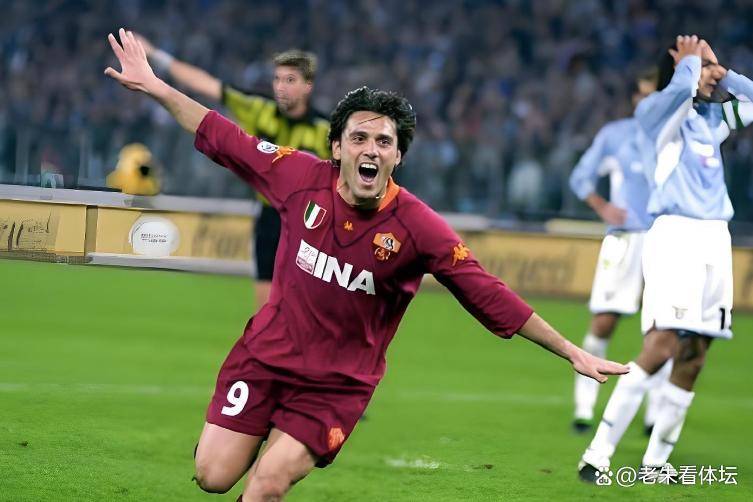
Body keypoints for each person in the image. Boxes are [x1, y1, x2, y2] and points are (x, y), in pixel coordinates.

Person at [104, 28, 628, 500]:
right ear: (336, 147)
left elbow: (487, 293)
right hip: (264, 360)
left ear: (398, 156)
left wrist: (569, 350)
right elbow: (224, 136)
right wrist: (155, 86)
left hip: (335, 387)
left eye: (384, 141)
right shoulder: (297, 176)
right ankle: (241, 436)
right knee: (213, 476)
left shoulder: (418, 226)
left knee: (266, 484)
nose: (370, 149)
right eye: (358, 138)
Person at [578, 35, 753, 481]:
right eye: (705, 64)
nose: (713, 71)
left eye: (713, 63)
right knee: (662, 345)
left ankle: (655, 465)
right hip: (676, 235)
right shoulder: (656, 116)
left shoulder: (712, 120)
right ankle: (598, 453)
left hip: (715, 238)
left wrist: (726, 74)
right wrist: (689, 66)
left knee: (696, 353)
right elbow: (675, 95)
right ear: (680, 68)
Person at [138, 33, 330, 310]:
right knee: (266, 306)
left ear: (308, 86)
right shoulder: (258, 107)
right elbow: (205, 84)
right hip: (269, 217)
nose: (281, 87)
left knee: (308, 305)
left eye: (290, 80)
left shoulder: (327, 130)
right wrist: (157, 55)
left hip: (309, 223)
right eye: (277, 79)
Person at [568, 70, 670, 434]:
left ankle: (655, 414)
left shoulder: (674, 134)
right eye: (641, 95)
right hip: (625, 238)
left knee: (664, 326)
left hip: (666, 237)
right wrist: (602, 206)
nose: (645, 101)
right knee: (604, 320)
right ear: (633, 99)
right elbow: (580, 176)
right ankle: (584, 406)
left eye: (652, 95)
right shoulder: (615, 135)